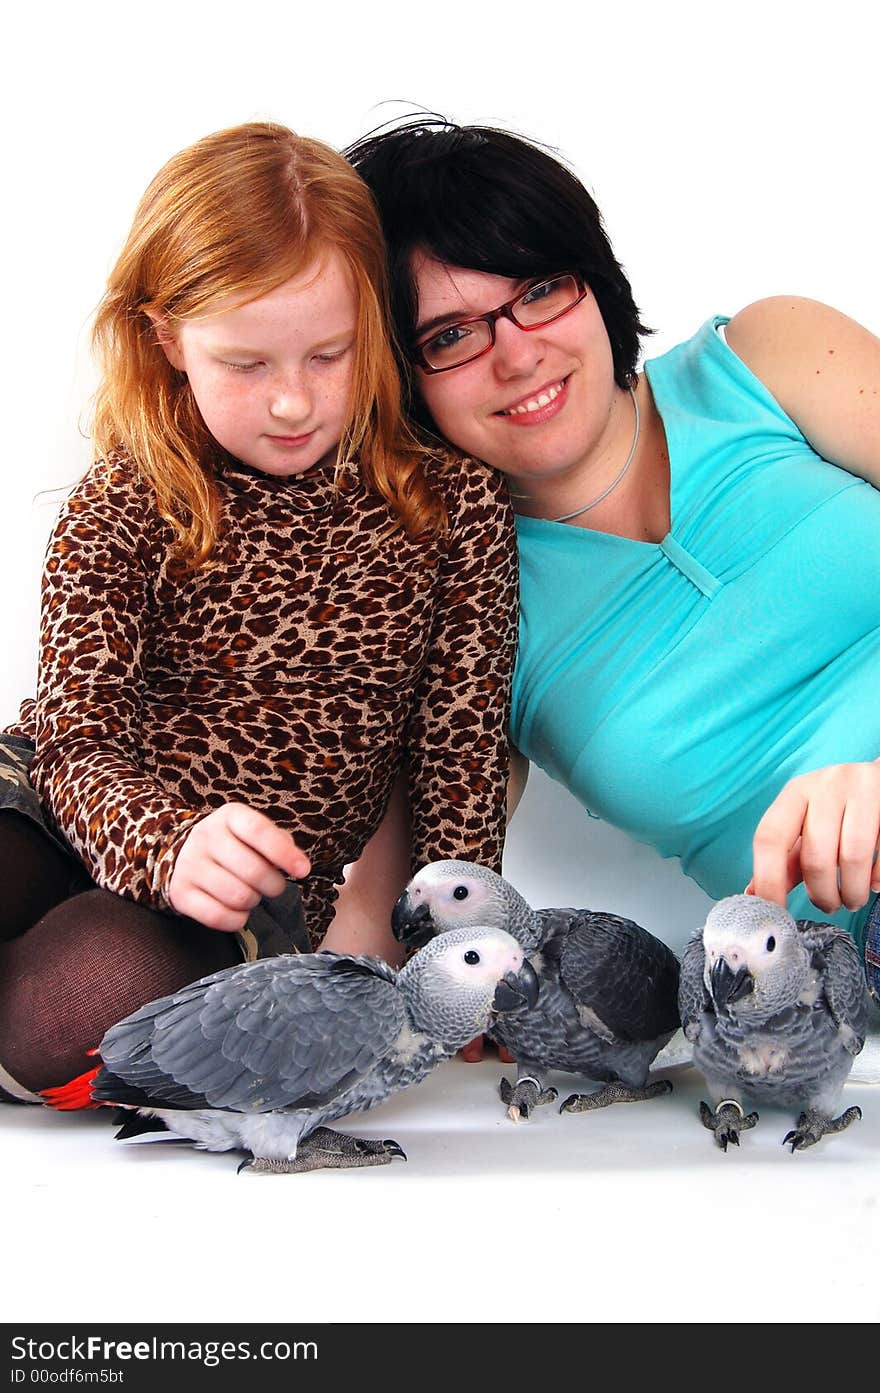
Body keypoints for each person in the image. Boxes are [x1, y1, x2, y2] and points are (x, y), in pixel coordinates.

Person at [0, 120, 517, 1101]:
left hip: (244, 898)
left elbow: (458, 745)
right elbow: (74, 736)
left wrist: (459, 951)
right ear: (166, 339)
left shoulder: (452, 507)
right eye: (246, 364)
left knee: (89, 1000)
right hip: (61, 809)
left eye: (330, 353)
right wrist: (163, 840)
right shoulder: (125, 500)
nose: (292, 402)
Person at [337, 115, 880, 1007]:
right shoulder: (473, 604)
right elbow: (387, 915)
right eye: (450, 337)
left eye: (543, 287)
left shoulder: (770, 357)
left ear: (595, 282)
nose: (518, 353)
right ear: (401, 382)